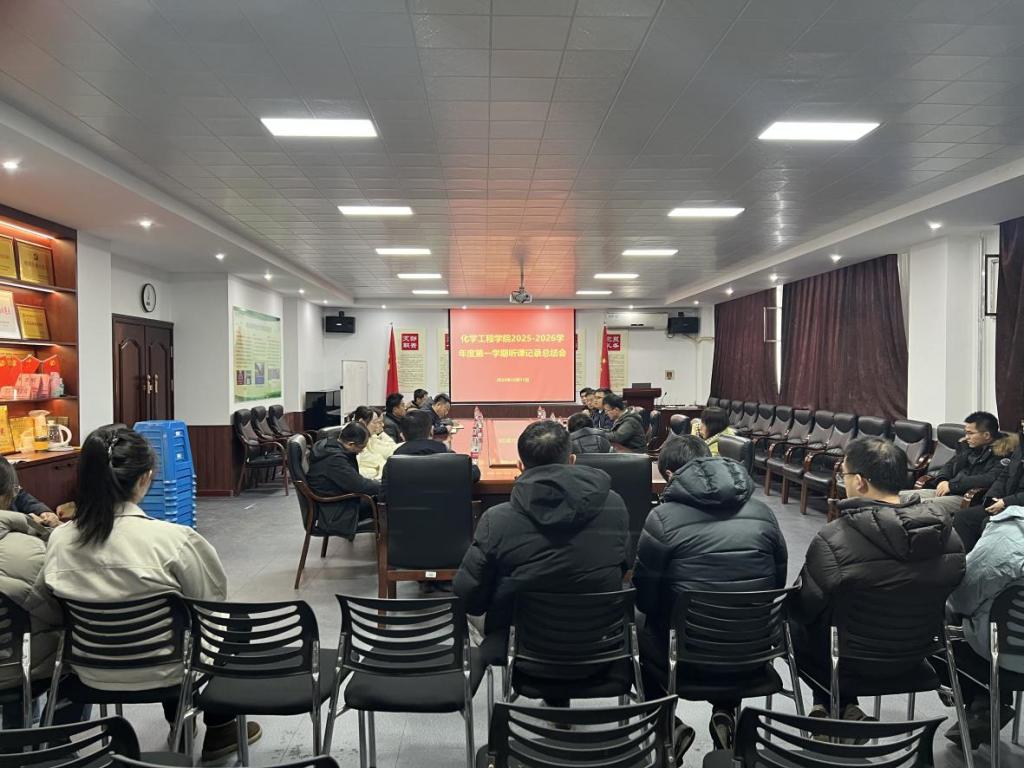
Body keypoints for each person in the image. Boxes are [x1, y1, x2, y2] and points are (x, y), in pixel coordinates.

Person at [29, 425, 257, 760]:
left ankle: (182, 720)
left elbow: (47, 607)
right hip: (169, 671)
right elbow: (210, 606)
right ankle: (219, 728)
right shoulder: (175, 540)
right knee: (234, 623)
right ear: (145, 478)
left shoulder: (59, 541)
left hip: (90, 673)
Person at [791, 437, 965, 725]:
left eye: (843, 475)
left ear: (859, 482)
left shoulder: (835, 537)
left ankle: (832, 705)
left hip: (849, 662)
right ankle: (843, 707)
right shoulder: (950, 537)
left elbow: (804, 607)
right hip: (917, 656)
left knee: (793, 626)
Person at [634, 435, 787, 749]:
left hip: (684, 656)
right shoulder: (763, 513)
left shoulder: (662, 518)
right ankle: (725, 714)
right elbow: (775, 585)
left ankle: (668, 725)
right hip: (753, 654)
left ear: (670, 475)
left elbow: (646, 598)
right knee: (735, 610)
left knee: (634, 627)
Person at [453, 420, 630, 674]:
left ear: (520, 466)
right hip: (600, 637)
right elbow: (623, 565)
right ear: (571, 460)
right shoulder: (614, 504)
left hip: (521, 646)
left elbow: (468, 596)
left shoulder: (497, 519)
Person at [0, 462, 84, 728]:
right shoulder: (32, 552)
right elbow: (60, 612)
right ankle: (56, 735)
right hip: (18, 669)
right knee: (78, 637)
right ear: (8, 496)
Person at [935, 502, 1024, 749]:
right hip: (1008, 651)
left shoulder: (1009, 535)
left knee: (932, 620)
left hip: (1001, 659)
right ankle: (985, 704)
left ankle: (986, 701)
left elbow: (961, 599)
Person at [953, 418, 1024, 552]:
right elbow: (1004, 476)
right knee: (964, 517)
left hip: (1018, 507)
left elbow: (989, 477)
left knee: (989, 522)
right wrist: (991, 498)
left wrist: (1006, 502)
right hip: (1004, 501)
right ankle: (965, 559)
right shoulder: (1021, 448)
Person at [306, 421, 381, 538]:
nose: (361, 452)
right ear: (351, 444)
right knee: (382, 503)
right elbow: (359, 486)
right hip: (335, 512)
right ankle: (388, 545)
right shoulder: (335, 460)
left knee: (379, 496)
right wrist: (384, 485)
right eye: (361, 448)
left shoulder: (327, 446)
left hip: (332, 504)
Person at [925, 411, 1013, 498]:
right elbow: (950, 465)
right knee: (916, 496)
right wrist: (942, 480)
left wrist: (953, 485)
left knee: (922, 505)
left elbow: (989, 478)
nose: (966, 437)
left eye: (970, 433)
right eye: (966, 432)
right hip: (949, 489)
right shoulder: (968, 446)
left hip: (966, 496)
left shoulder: (1003, 452)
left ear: (986, 435)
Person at [384, 409, 480, 486]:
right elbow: (474, 474)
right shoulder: (446, 455)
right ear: (431, 431)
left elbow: (384, 496)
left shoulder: (393, 461)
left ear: (402, 436)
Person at [351, 407, 397, 481]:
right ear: (362, 422)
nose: (378, 426)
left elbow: (388, 450)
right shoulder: (354, 438)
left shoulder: (370, 436)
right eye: (375, 422)